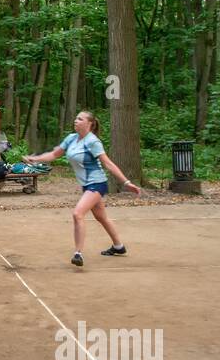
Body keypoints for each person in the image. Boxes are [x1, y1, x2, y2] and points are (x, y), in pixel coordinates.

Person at [24, 110, 141, 267]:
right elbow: (53, 155)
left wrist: (126, 182)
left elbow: (108, 163)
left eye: (80, 119)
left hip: (97, 184)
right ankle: (118, 247)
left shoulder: (93, 142)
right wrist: (35, 159)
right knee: (102, 218)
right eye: (76, 118)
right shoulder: (71, 138)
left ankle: (78, 253)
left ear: (89, 124)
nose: (76, 120)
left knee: (77, 214)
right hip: (87, 185)